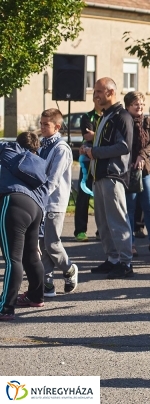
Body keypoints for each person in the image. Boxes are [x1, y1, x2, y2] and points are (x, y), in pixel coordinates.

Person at [84, 78, 135, 280]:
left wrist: (94, 152)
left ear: (111, 92)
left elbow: (124, 147)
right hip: (100, 175)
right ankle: (113, 259)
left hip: (113, 175)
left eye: (98, 91)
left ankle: (125, 262)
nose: (95, 95)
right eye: (95, 91)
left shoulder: (122, 116)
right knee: (103, 221)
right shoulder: (106, 115)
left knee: (117, 220)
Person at [0, 133, 49, 320]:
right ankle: (36, 296)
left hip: (14, 203)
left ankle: (6, 306)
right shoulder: (39, 164)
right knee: (31, 256)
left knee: (13, 258)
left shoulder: (10, 149)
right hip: (36, 209)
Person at [38, 109, 79, 297]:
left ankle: (69, 269)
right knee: (41, 243)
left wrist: (40, 195)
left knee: (52, 243)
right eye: (41, 123)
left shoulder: (61, 149)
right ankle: (47, 283)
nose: (42, 127)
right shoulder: (42, 145)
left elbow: (53, 179)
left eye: (46, 124)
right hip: (41, 202)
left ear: (57, 126)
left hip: (54, 202)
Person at [123, 91, 150, 257]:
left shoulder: (147, 121)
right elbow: (122, 145)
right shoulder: (124, 121)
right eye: (136, 104)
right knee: (130, 209)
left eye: (142, 104)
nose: (140, 107)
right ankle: (130, 244)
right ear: (128, 106)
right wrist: (131, 159)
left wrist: (142, 155)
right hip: (129, 171)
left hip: (145, 170)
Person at [74, 101, 103, 242]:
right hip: (87, 160)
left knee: (102, 196)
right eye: (96, 95)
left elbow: (96, 136)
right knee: (83, 195)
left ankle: (101, 231)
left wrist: (96, 134)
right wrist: (102, 135)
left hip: (102, 160)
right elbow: (87, 136)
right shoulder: (87, 116)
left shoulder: (109, 116)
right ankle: (80, 231)